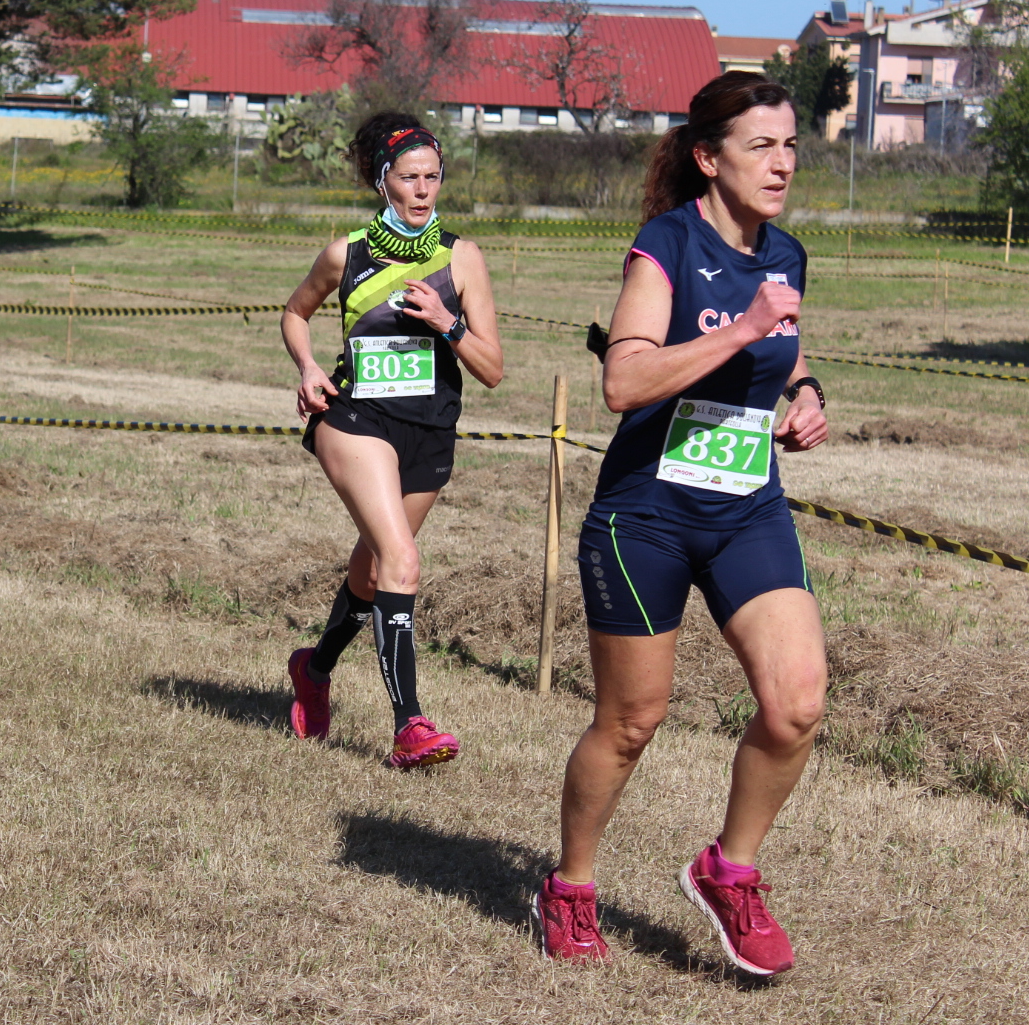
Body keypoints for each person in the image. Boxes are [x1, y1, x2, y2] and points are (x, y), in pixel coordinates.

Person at [532, 73, 828, 974]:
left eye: (790, 146)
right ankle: (570, 887)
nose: (781, 164)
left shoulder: (788, 254)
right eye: (760, 146)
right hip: (646, 519)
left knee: (796, 704)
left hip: (747, 510)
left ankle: (728, 872)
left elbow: (784, 348)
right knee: (631, 721)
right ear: (708, 157)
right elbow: (624, 382)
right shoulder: (665, 245)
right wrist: (740, 330)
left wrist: (805, 394)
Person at [279, 113, 503, 768]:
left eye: (433, 177)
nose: (423, 190)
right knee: (401, 559)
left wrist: (448, 322)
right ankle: (410, 726)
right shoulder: (345, 253)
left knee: (374, 572)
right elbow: (295, 312)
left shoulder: (462, 258)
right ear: (383, 181)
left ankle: (314, 668)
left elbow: (492, 369)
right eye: (409, 178)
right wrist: (309, 368)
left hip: (430, 430)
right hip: (355, 419)